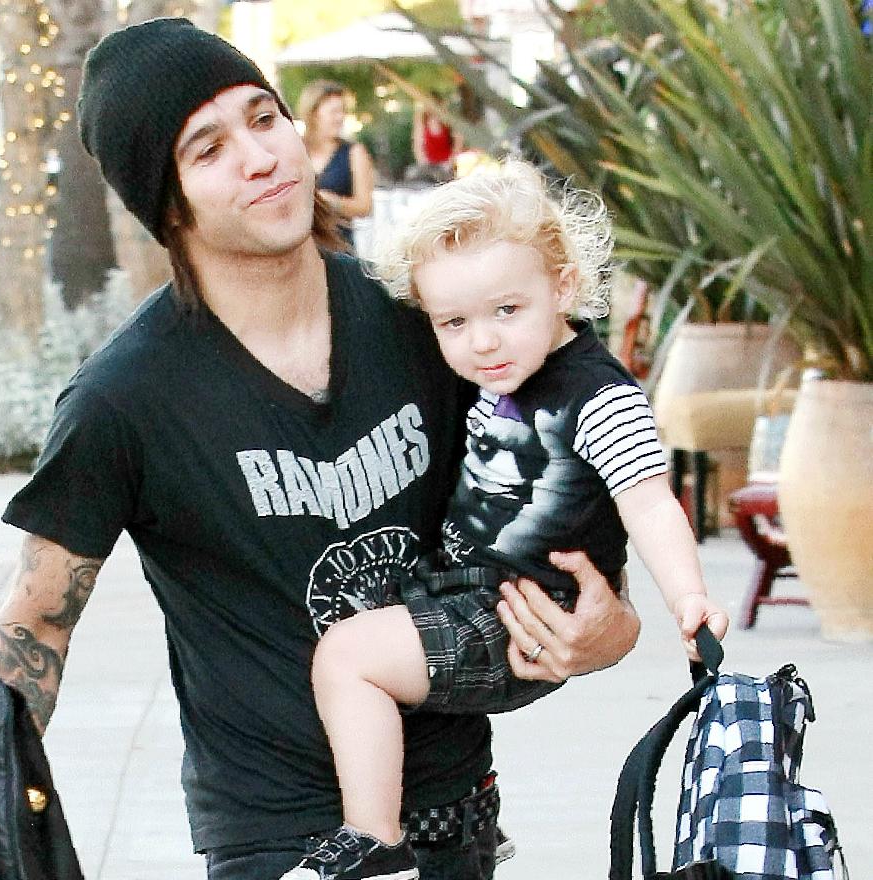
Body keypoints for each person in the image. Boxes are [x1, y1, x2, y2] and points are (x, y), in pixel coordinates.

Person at [0, 18, 640, 880]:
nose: (262, 156)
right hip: (279, 837)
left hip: (454, 810)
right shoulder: (126, 399)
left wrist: (607, 626)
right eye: (208, 147)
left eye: (264, 117)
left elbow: (562, 490)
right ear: (166, 201)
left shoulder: (424, 321)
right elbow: (35, 627)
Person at [280, 161, 732, 880]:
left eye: (506, 312)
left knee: (347, 656)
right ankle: (469, 818)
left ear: (563, 286)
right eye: (454, 323)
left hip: (519, 616)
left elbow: (648, 500)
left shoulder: (599, 398)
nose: (482, 342)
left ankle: (375, 840)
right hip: (464, 591)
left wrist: (688, 598)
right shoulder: (498, 376)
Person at [298, 79, 374, 250]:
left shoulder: (354, 152)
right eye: (334, 112)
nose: (340, 118)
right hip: (302, 249)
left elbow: (365, 206)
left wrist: (330, 201)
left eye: (343, 111)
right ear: (314, 114)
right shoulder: (296, 149)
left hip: (339, 247)